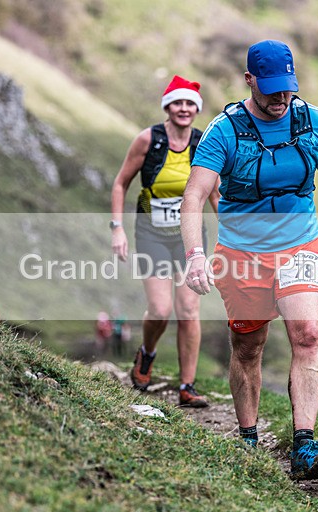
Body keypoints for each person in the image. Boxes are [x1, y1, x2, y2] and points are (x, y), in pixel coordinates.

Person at [181, 40, 318, 479]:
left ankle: (304, 443)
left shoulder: (313, 122)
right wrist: (194, 255)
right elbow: (194, 196)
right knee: (249, 346)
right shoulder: (223, 132)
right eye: (270, 90)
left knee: (307, 333)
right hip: (242, 252)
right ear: (249, 81)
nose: (280, 99)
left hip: (301, 244)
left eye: (287, 89)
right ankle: (248, 438)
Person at [110, 75, 218, 408]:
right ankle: (147, 353)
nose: (184, 109)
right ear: (167, 107)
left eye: (190, 104)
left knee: (189, 309)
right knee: (160, 309)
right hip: (152, 232)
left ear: (196, 109)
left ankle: (188, 385)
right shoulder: (148, 140)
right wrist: (117, 228)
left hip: (189, 235)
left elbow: (214, 192)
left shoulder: (204, 143)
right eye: (178, 103)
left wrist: (233, 234)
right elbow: (120, 184)